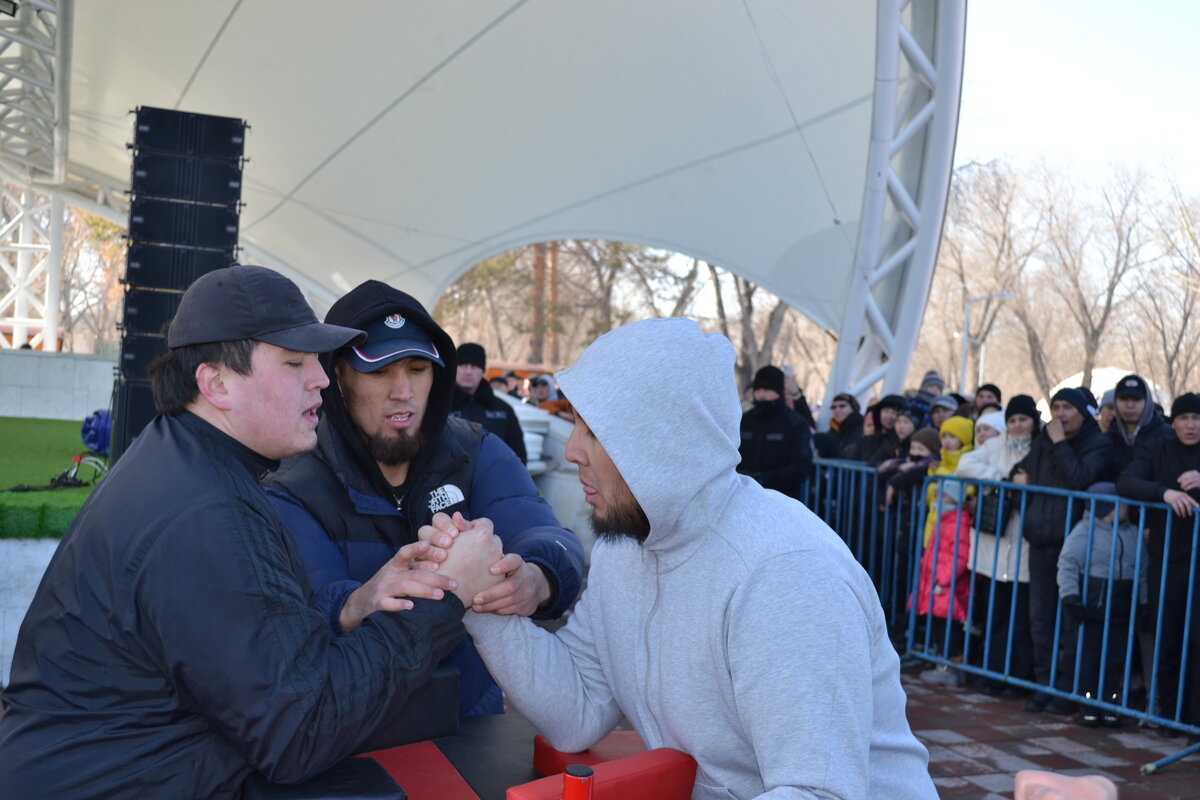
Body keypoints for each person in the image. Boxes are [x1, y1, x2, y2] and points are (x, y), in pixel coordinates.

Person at [0, 266, 505, 799]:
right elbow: (300, 731)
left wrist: (355, 607)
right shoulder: (203, 511)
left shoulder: (188, 464)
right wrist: (447, 593)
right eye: (294, 363)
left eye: (315, 361)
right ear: (215, 383)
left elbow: (256, 668)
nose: (322, 379)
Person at [451, 318, 937, 799]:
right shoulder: (626, 547)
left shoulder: (785, 574)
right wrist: (482, 599)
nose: (573, 449)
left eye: (593, 429)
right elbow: (578, 711)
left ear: (662, 442)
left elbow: (821, 792)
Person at [265, 281, 584, 718]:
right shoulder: (293, 480)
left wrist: (537, 578)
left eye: (417, 369)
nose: (403, 391)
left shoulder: (478, 450)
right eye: (378, 371)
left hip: (470, 725)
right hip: (351, 735)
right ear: (337, 376)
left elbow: (549, 534)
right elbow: (305, 609)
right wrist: (358, 602)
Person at [1013, 388, 1114, 715]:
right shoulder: (1044, 439)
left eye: (1067, 407)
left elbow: (1078, 480)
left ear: (1083, 412)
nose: (1060, 414)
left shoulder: (1097, 443)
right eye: (1055, 407)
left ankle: (1066, 688)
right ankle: (1044, 684)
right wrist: (1018, 480)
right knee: (1040, 618)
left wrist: (1059, 444)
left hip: (1072, 545)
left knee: (1068, 621)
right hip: (1040, 537)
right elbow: (1020, 474)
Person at [1116, 392, 1200, 733]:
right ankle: (1169, 716)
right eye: (1184, 418)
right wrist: (1164, 493)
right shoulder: (1159, 449)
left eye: (1196, 418)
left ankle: (1195, 718)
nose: (1191, 425)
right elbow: (1127, 481)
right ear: (1173, 422)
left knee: (1197, 641)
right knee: (1168, 638)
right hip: (1168, 559)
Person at [955, 395, 1040, 695]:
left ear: (1033, 421)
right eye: (1013, 420)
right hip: (995, 545)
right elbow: (965, 464)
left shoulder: (1040, 449)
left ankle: (1017, 678)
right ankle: (992, 674)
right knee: (995, 614)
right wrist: (1002, 479)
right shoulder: (995, 445)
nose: (1018, 426)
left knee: (1020, 618)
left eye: (1023, 420)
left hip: (1024, 541)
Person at [1056, 482, 1144, 727]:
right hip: (1093, 605)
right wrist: (1071, 597)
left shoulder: (1132, 532)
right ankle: (1089, 704)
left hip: (1121, 605)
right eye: (1121, 502)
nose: (1127, 506)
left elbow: (1143, 570)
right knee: (1090, 657)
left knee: (1115, 659)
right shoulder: (1085, 530)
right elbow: (1068, 563)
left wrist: (1144, 601)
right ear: (1106, 506)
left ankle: (1110, 703)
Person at [737, 365, 813, 499]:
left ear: (779, 391)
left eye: (767, 389)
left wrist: (764, 479)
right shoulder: (746, 420)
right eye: (758, 389)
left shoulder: (796, 423)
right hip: (744, 496)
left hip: (781, 499)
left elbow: (801, 467)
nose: (761, 394)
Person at [450, 342, 528, 464]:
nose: (468, 371)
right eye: (463, 365)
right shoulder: (439, 405)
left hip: (493, 478)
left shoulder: (503, 410)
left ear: (483, 371)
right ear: (454, 367)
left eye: (475, 366)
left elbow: (518, 456)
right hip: (448, 480)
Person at [1107, 373, 1172, 464]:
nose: (1129, 405)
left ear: (1147, 402)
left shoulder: (1167, 437)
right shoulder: (1106, 440)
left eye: (1136, 399)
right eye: (1123, 399)